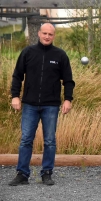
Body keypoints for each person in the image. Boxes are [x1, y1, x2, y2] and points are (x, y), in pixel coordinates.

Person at [9, 23, 75, 186]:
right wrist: (15, 96)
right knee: (26, 139)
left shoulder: (60, 55)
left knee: (50, 141)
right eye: (44, 33)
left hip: (51, 105)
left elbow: (68, 80)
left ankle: (46, 173)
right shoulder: (28, 53)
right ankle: (22, 174)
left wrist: (68, 99)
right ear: (38, 33)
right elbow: (17, 76)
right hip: (30, 104)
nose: (47, 36)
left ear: (54, 36)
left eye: (50, 34)